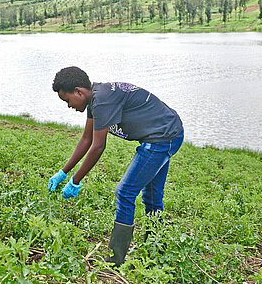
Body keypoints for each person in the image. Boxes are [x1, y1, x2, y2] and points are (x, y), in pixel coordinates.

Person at [49, 66, 184, 267]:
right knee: (152, 197)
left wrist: (76, 181)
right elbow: (87, 139)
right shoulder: (96, 100)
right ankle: (156, 248)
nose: (68, 106)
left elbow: (98, 146)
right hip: (167, 133)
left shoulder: (102, 100)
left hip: (163, 137)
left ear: (79, 92)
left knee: (125, 192)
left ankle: (115, 260)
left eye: (67, 100)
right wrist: (63, 172)